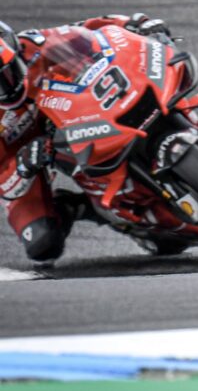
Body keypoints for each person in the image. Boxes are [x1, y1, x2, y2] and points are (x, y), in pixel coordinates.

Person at [0, 14, 171, 264]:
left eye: (6, 73)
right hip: (30, 155)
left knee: (155, 73)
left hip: (75, 111)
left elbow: (91, 30)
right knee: (43, 244)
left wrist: (136, 23)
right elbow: (3, 183)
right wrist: (24, 163)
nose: (6, 86)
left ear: (14, 50)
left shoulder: (35, 43)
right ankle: (85, 208)